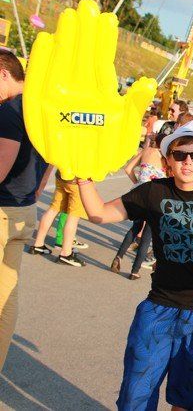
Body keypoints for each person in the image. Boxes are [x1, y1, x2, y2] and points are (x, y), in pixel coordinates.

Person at [77, 121, 193, 410]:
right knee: (136, 392)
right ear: (168, 160)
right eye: (180, 155)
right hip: (159, 306)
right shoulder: (153, 192)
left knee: (187, 397)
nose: (188, 161)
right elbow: (99, 214)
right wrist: (83, 180)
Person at [0, 49, 50, 370]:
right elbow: (53, 158)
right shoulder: (41, 108)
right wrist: (36, 190)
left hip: (2, 210)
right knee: (6, 298)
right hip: (25, 208)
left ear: (3, 73)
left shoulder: (10, 111)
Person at [110, 133, 166, 280]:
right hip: (156, 199)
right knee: (147, 235)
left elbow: (128, 169)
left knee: (135, 228)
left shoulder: (145, 151)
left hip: (140, 195)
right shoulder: (165, 157)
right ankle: (135, 271)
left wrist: (137, 183)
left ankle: (118, 257)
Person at [29, 170, 89, 267]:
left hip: (62, 174)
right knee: (73, 216)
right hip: (79, 179)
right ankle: (66, 253)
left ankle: (38, 244)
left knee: (53, 209)